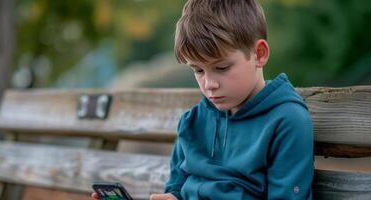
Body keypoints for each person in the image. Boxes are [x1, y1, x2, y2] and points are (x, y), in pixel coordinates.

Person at [93, 0, 314, 199]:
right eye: (198, 70)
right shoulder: (193, 121)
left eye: (222, 67)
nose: (209, 84)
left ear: (260, 54)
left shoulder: (286, 120)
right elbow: (177, 189)